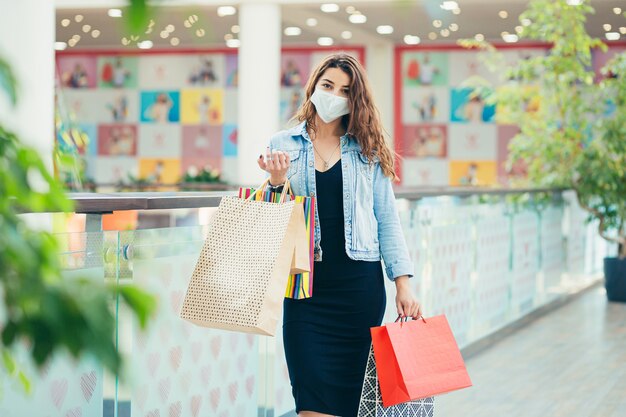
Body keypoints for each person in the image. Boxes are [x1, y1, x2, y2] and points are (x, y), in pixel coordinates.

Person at [257, 53, 421, 417]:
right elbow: (270, 219)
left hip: (358, 291)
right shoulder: (283, 143)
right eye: (327, 85)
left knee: (351, 406)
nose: (333, 95)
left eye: (344, 91)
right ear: (313, 86)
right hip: (305, 292)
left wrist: (403, 283)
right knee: (311, 403)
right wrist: (276, 181)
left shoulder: (367, 149)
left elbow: (387, 219)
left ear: (354, 100)